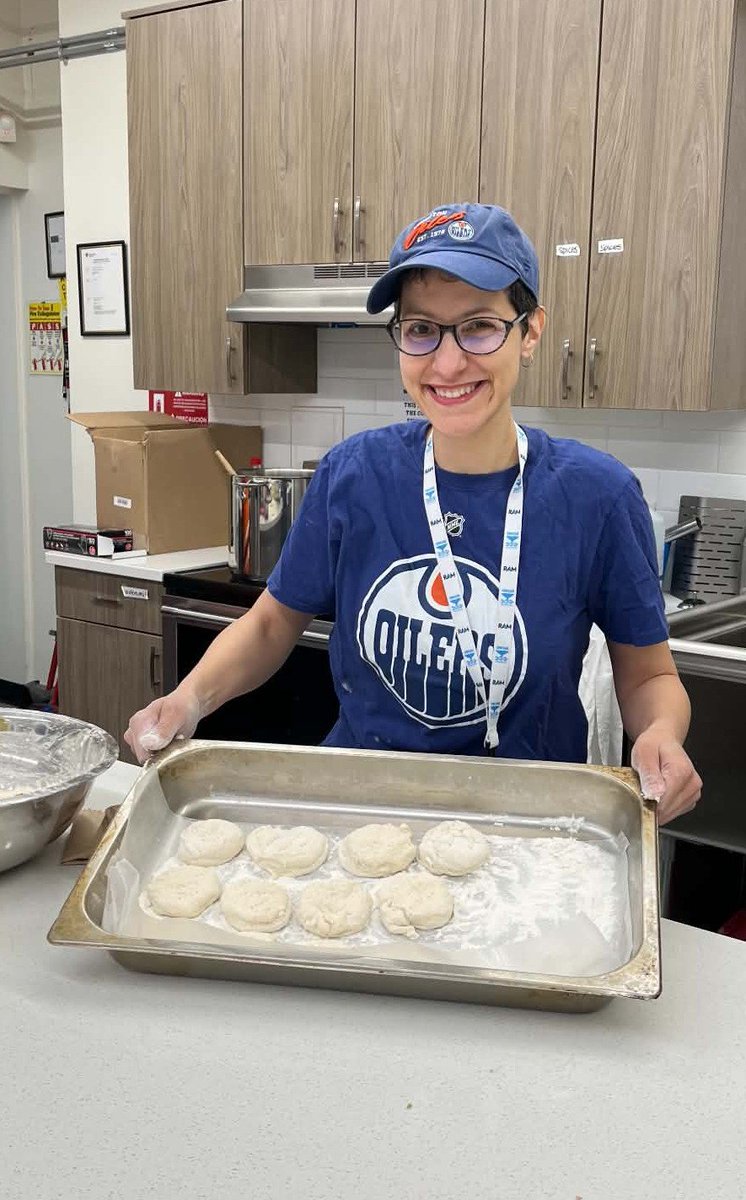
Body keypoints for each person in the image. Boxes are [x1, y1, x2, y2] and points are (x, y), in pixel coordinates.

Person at [126, 203, 701, 824]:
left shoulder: (597, 497)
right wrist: (188, 700)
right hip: (361, 810)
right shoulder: (353, 476)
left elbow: (647, 678)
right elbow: (269, 626)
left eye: (479, 327)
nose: (447, 364)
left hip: (531, 829)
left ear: (531, 331)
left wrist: (661, 735)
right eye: (422, 329)